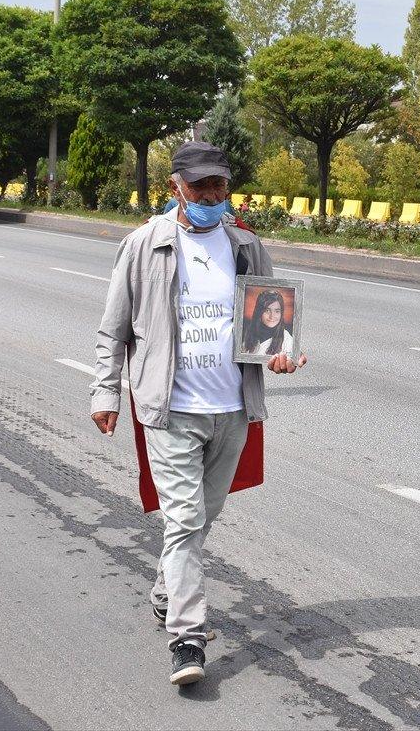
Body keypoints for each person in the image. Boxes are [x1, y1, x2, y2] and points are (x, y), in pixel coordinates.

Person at [91, 141, 307, 687]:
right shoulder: (144, 245)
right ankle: (187, 638)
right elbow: (113, 329)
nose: (212, 196)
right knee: (185, 519)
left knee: (202, 517)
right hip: (170, 408)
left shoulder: (246, 247)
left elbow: (267, 328)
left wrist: (280, 355)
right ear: (176, 187)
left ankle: (167, 590)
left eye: (219, 185)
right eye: (200, 186)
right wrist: (105, 392)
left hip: (231, 408)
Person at [241, 289, 295, 356]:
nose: (272, 316)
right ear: (259, 311)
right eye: (267, 310)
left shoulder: (288, 340)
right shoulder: (249, 333)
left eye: (277, 311)